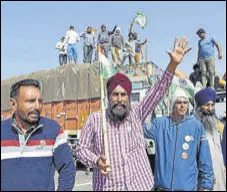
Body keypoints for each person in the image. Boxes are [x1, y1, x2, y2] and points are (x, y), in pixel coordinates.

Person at [75, 36, 192, 191]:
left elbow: (158, 90)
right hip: (109, 187)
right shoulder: (96, 119)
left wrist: (173, 64)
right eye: (115, 95)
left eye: (123, 95)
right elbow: (81, 149)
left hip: (140, 185)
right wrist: (96, 161)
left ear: (129, 97)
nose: (119, 100)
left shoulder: (136, 113)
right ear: (108, 97)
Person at [1, 79, 76, 191]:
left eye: (40, 101)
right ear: (13, 104)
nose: (37, 106)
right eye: (30, 101)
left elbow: (67, 168)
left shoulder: (53, 130)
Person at [143, 88, 214, 191]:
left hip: (186, 188)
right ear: (173, 105)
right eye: (179, 102)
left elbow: (205, 158)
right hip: (162, 188)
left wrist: (207, 185)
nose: (182, 106)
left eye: (185, 102)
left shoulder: (196, 126)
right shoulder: (160, 124)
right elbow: (139, 130)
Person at [194, 88, 226, 191]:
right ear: (199, 107)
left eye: (212, 105)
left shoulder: (218, 126)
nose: (210, 108)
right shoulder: (194, 127)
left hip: (220, 171)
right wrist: (206, 175)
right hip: (203, 176)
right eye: (207, 105)